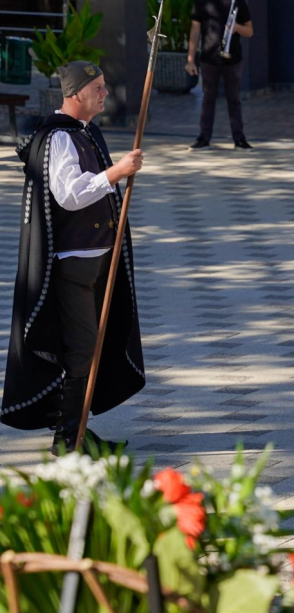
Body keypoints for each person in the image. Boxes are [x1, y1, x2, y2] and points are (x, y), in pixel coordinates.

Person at [2, 61, 146, 453]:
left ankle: (79, 428)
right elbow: (71, 194)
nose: (104, 92)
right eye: (97, 87)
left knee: (93, 346)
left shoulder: (84, 132)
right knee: (82, 348)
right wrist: (116, 172)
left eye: (104, 85)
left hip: (97, 258)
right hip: (74, 265)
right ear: (75, 93)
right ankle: (68, 438)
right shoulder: (59, 138)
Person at [186, 0, 254, 150]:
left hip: (233, 59)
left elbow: (249, 31)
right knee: (208, 99)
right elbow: (195, 30)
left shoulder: (238, 3)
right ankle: (204, 137)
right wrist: (190, 60)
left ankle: (239, 138)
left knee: (234, 100)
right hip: (209, 59)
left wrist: (237, 28)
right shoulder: (202, 3)